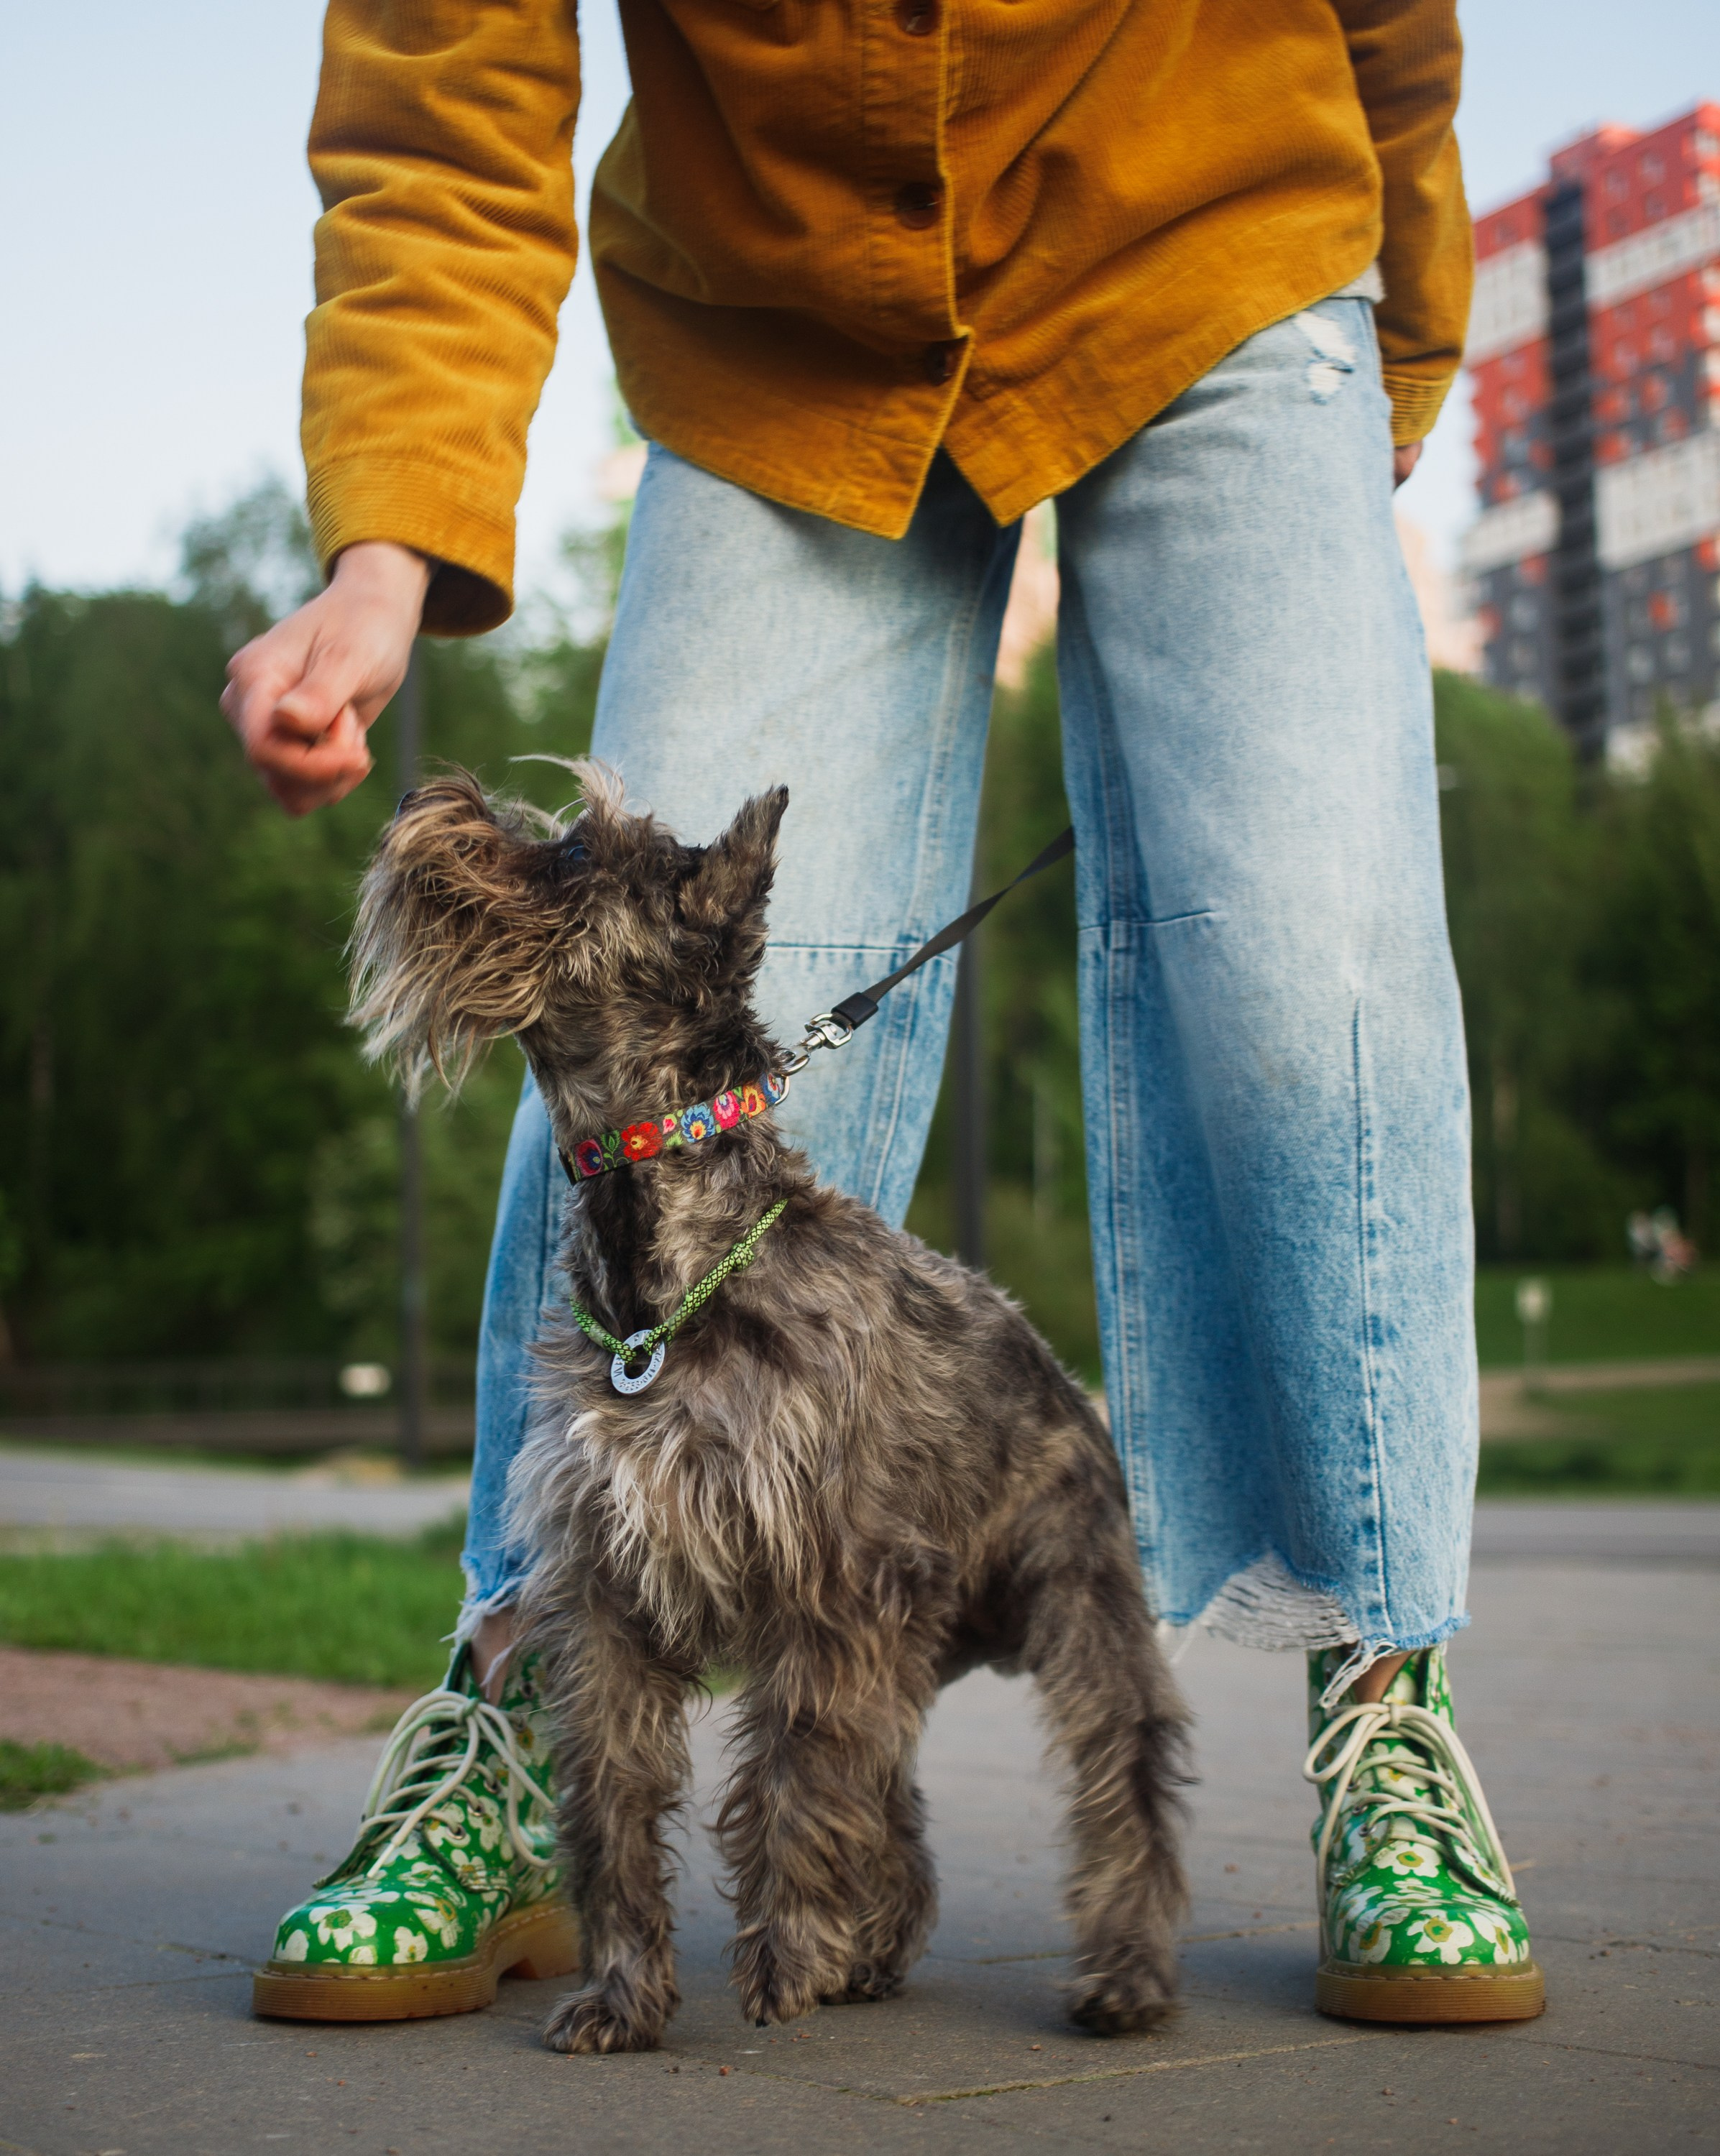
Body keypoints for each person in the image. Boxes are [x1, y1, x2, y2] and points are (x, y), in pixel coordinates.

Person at [226, 0, 1544, 2030]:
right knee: (622, 1088)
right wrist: (383, 541)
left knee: (1311, 971)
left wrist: (1407, 327)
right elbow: (439, 69)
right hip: (782, 317)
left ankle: (1388, 1693)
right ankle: (519, 1699)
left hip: (1209, 229)